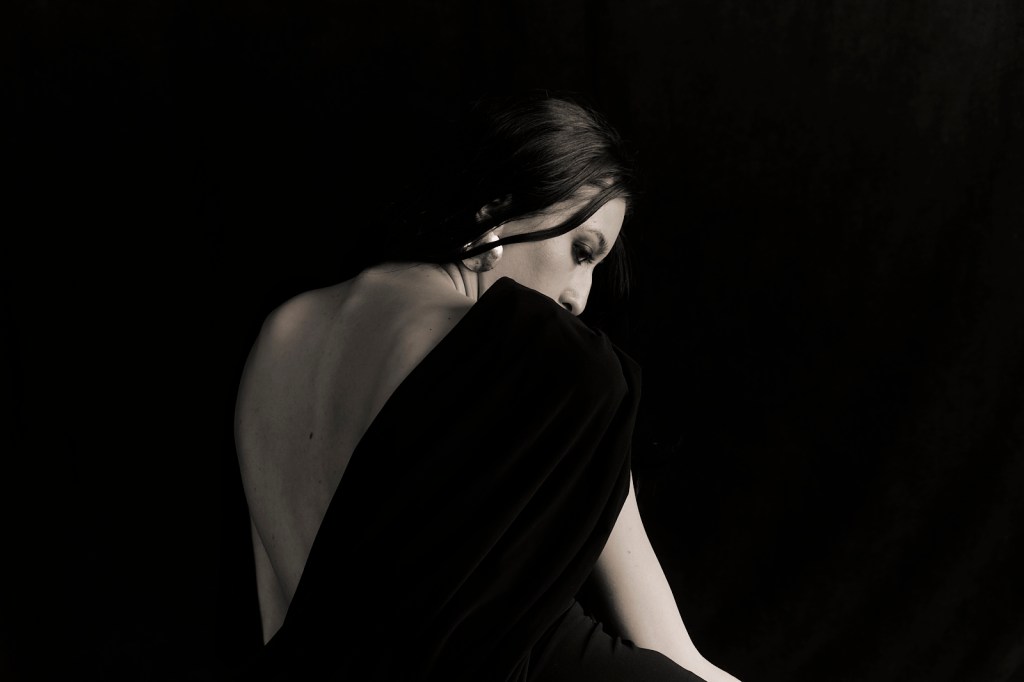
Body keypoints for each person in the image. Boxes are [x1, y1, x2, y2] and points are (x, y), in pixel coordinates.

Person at [233, 92, 742, 682]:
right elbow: (668, 646)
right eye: (581, 252)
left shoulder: (279, 332)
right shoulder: (547, 362)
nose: (580, 298)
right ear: (496, 210)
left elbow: (281, 624)